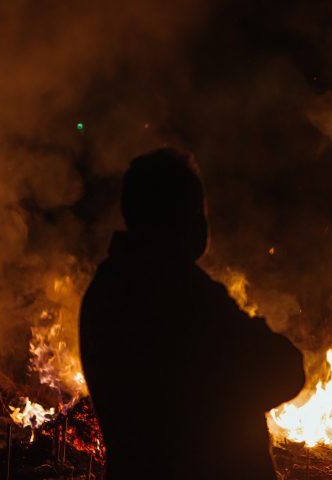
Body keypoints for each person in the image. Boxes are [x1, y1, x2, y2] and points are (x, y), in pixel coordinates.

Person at [79, 148, 305, 479]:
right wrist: (254, 328)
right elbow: (284, 370)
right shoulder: (184, 293)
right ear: (187, 216)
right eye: (199, 210)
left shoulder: (106, 288)